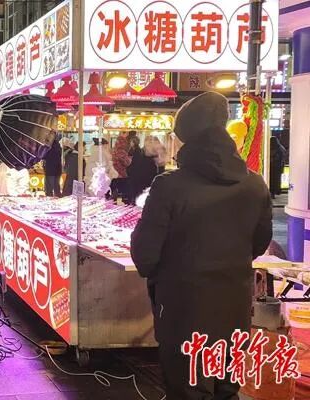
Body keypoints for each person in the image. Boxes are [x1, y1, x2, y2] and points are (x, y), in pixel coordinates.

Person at [131, 92, 273, 400]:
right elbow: (260, 243)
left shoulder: (169, 187)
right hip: (234, 308)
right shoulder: (255, 184)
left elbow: (144, 256)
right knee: (227, 389)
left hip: (182, 310)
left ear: (186, 138)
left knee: (188, 390)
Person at [127, 136, 158, 203]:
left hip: (142, 180)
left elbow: (133, 166)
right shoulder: (144, 153)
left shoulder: (141, 152)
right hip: (142, 180)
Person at [111, 132, 132, 201]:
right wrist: (130, 158)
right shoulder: (122, 152)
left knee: (114, 193)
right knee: (122, 194)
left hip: (113, 175)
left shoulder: (113, 150)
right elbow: (127, 163)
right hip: (121, 175)